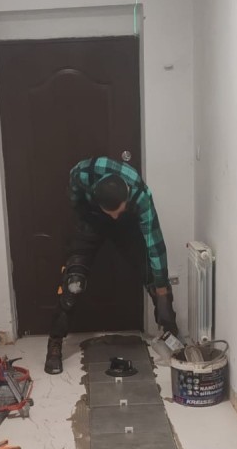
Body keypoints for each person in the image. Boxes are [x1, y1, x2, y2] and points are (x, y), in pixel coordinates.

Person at [44, 156, 178, 374]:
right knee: (74, 283)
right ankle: (55, 343)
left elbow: (155, 246)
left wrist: (162, 290)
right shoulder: (83, 175)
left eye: (118, 210)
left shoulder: (140, 196)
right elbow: (73, 193)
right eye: (111, 212)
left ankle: (172, 339)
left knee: (155, 279)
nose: (114, 216)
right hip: (92, 217)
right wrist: (82, 213)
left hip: (128, 224)